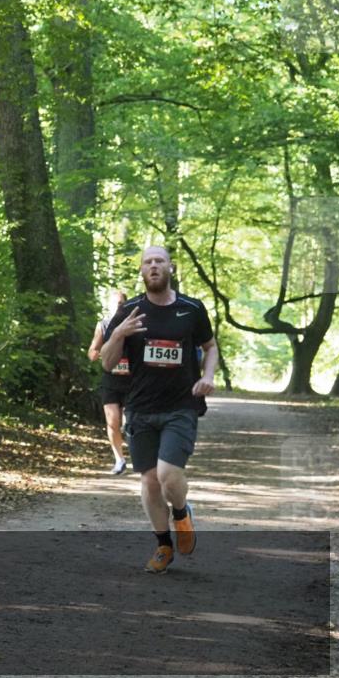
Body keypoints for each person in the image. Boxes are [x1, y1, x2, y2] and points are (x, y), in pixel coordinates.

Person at [101, 246, 217, 574]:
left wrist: (207, 376)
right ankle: (163, 544)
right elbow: (108, 363)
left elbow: (210, 348)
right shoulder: (130, 311)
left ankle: (181, 513)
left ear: (170, 267)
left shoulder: (192, 308)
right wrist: (120, 333)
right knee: (150, 481)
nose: (154, 266)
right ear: (141, 270)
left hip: (181, 405)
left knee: (167, 475)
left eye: (159, 261)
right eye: (148, 262)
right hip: (140, 408)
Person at [88, 290, 130, 475]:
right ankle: (119, 459)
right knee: (113, 422)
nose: (119, 306)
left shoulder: (134, 324)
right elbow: (93, 350)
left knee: (131, 422)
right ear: (109, 306)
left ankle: (139, 450)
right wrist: (95, 355)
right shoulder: (103, 325)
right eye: (116, 303)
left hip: (133, 380)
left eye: (121, 303)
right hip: (111, 379)